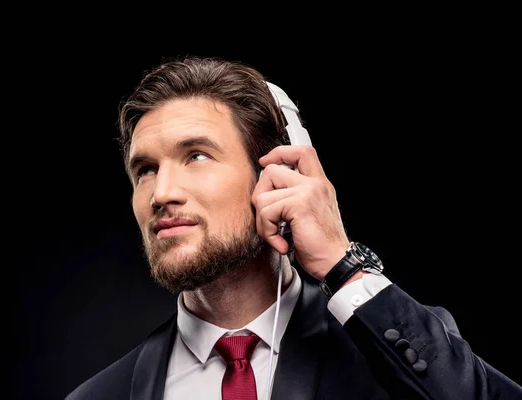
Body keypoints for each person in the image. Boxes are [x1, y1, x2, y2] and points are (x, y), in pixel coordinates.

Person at [65, 56, 521, 400]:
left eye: (196, 155)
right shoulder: (96, 395)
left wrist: (343, 267)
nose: (161, 192)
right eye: (145, 168)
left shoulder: (396, 349)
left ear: (275, 174)